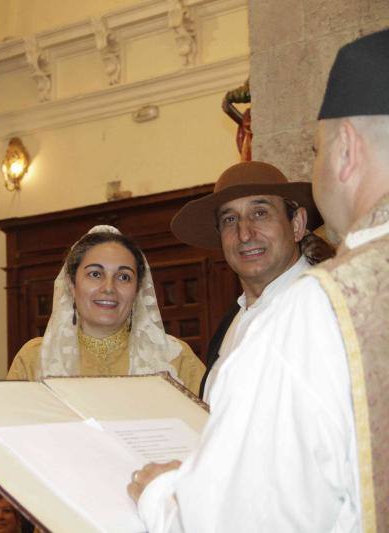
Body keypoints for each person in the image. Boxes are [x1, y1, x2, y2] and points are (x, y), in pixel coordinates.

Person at [127, 29, 389, 531]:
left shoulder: (314, 312)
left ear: (347, 149)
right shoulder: (240, 322)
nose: (244, 232)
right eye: (229, 220)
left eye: (317, 149)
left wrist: (158, 493)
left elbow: (241, 518)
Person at [170, 160, 332, 401]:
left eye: (260, 213)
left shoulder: (324, 308)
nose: (244, 234)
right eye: (230, 220)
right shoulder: (231, 322)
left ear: (297, 224)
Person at [7, 225, 205, 395]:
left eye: (124, 277)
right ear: (71, 284)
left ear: (137, 290)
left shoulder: (175, 357)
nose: (109, 287)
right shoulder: (35, 358)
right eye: (95, 274)